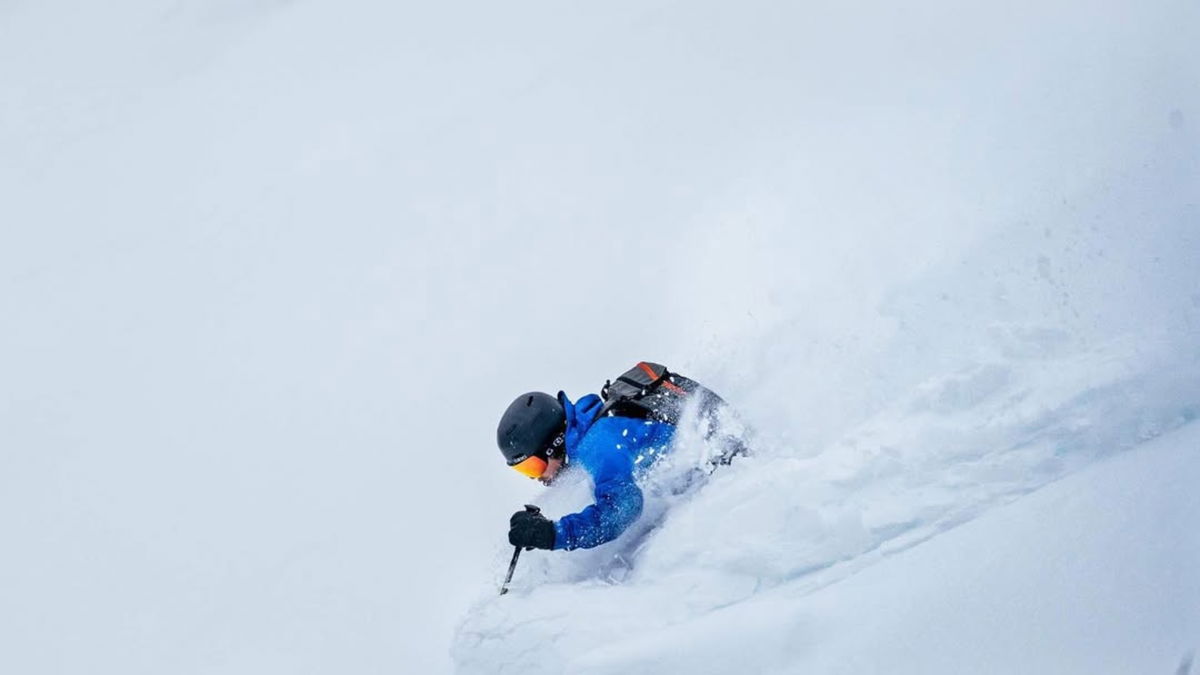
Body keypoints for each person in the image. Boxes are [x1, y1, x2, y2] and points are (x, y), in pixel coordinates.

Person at [496, 362, 746, 552]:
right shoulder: (601, 427)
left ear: (553, 444)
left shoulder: (597, 443)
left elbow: (624, 508)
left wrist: (553, 534)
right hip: (724, 469)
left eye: (534, 467)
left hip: (731, 474)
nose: (537, 478)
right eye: (525, 471)